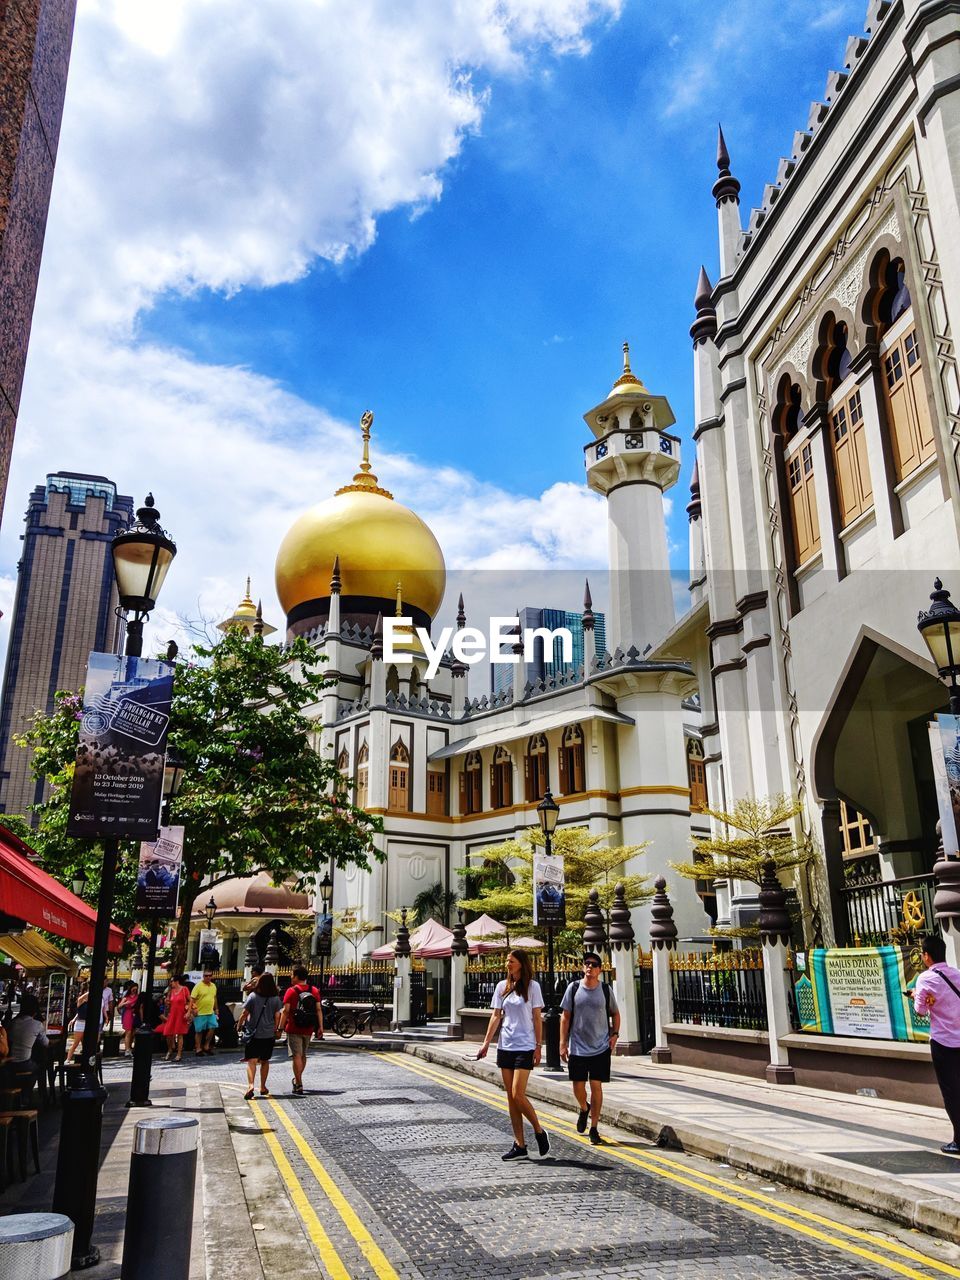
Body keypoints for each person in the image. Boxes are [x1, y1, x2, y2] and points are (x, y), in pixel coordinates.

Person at [476, 948, 550, 1161]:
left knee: (518, 1093)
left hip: (525, 1046)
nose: (508, 964)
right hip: (505, 1046)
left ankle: (538, 1131)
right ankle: (520, 1144)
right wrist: (486, 1044)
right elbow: (496, 1016)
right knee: (511, 1098)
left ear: (521, 964)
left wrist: (538, 1046)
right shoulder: (502, 986)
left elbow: (537, 1018)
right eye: (507, 961)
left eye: (511, 961)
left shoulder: (533, 987)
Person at [559, 952, 620, 1145]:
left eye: (594, 965)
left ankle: (594, 1128)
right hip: (577, 1047)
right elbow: (565, 1017)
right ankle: (584, 1109)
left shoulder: (605, 989)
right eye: (587, 964)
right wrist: (562, 1043)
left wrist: (615, 1035)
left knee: (596, 1086)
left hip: (600, 1047)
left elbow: (616, 1014)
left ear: (600, 970)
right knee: (578, 1087)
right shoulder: (574, 988)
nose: (590, 967)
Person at [914, 934, 960, 1155]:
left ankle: (959, 1139)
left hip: (943, 1043)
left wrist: (918, 997)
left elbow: (920, 1010)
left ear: (926, 956)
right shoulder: (957, 975)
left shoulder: (925, 979)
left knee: (951, 1091)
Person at [237, 971, 282, 1099]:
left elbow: (245, 1013)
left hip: (254, 1033)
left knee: (251, 1060)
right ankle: (262, 1086)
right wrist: (276, 1029)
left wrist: (239, 1024)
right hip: (268, 1034)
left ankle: (251, 1085)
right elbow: (277, 1015)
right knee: (265, 1061)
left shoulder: (253, 996)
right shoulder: (275, 998)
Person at [279, 964, 323, 1095]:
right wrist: (320, 1027)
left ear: (297, 976)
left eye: (292, 974)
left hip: (294, 1027)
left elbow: (286, 1011)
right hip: (308, 1027)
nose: (290, 977)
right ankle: (297, 1079)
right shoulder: (314, 990)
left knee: (296, 1056)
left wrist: (280, 1028)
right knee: (303, 1055)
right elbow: (319, 1009)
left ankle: (298, 1083)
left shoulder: (291, 991)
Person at [3, 993, 48, 1087]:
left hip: (9, 1063)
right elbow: (45, 1043)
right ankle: (28, 1094)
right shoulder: (37, 1024)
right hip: (24, 1062)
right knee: (39, 1068)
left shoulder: (14, 1022)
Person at [159, 974, 192, 1062]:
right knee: (168, 1033)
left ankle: (179, 1054)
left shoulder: (184, 989)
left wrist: (188, 1012)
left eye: (172, 981)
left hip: (181, 1014)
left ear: (176, 981)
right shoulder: (171, 991)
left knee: (180, 1034)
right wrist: (167, 1002)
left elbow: (190, 1000)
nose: (171, 983)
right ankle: (170, 1049)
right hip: (172, 1014)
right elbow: (169, 1003)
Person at [190, 969, 219, 1056]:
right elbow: (192, 999)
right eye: (206, 976)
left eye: (210, 975)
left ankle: (206, 1045)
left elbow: (215, 998)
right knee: (199, 1031)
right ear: (203, 976)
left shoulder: (213, 986)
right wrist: (193, 1009)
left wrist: (216, 1009)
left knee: (213, 1027)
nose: (208, 977)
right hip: (200, 1012)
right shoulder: (198, 986)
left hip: (210, 1012)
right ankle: (198, 1048)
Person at [64, 982, 90, 1064]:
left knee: (85, 1043)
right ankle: (68, 1059)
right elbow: (80, 1001)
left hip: (87, 1023)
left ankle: (85, 1060)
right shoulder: (81, 1001)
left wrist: (74, 1019)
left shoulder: (90, 1002)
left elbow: (79, 1013)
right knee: (76, 1042)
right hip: (80, 1024)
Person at [118, 982, 140, 1055]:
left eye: (136, 989)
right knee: (128, 1032)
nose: (134, 991)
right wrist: (125, 1003)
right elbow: (119, 1006)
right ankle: (127, 1049)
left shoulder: (138, 997)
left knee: (133, 1032)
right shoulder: (126, 997)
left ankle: (129, 1047)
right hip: (127, 1014)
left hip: (135, 1015)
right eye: (133, 989)